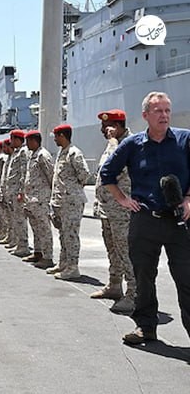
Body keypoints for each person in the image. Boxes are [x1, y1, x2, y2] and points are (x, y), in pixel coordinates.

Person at [100, 92, 190, 344]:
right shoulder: (132, 144)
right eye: (158, 111)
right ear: (145, 115)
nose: (164, 115)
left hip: (179, 221)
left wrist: (188, 198)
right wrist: (122, 199)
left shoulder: (185, 140)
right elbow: (107, 173)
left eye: (167, 110)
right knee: (143, 277)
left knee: (186, 279)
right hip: (145, 220)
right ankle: (146, 327)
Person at [91, 109, 135, 314]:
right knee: (112, 250)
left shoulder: (128, 145)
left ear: (116, 127)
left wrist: (112, 143)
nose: (102, 130)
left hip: (121, 211)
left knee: (126, 252)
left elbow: (114, 167)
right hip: (108, 209)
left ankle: (134, 294)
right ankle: (115, 285)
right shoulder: (114, 144)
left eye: (105, 127)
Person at [46, 124, 90, 280]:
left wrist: (72, 190)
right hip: (61, 202)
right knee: (63, 234)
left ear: (62, 136)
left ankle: (73, 267)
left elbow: (84, 174)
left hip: (71, 202)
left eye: (56, 137)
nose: (55, 140)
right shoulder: (62, 153)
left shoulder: (74, 153)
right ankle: (63, 263)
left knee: (71, 235)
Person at [21, 130, 55, 269]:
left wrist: (51, 196)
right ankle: (38, 252)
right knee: (36, 228)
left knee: (44, 228)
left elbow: (51, 176)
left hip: (41, 199)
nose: (27, 144)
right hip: (32, 199)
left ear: (34, 141)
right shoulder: (33, 155)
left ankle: (48, 257)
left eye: (28, 141)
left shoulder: (43, 155)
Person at [4, 129, 30, 257]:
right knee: (16, 220)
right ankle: (19, 244)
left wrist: (21, 191)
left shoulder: (23, 152)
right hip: (12, 193)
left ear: (18, 139)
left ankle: (23, 246)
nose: (11, 142)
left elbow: (24, 173)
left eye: (12, 139)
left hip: (18, 193)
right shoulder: (16, 153)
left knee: (20, 220)